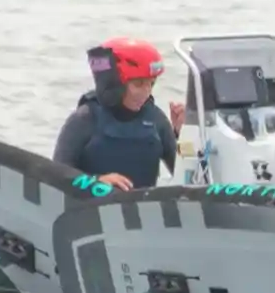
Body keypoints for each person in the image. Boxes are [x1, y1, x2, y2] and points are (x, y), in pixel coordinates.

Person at [53, 38, 184, 191]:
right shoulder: (84, 119)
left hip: (142, 210)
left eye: (151, 83)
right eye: (138, 84)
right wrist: (96, 181)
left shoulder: (156, 120)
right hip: (93, 210)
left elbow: (187, 175)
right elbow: (57, 176)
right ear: (114, 84)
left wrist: (183, 135)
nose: (146, 92)